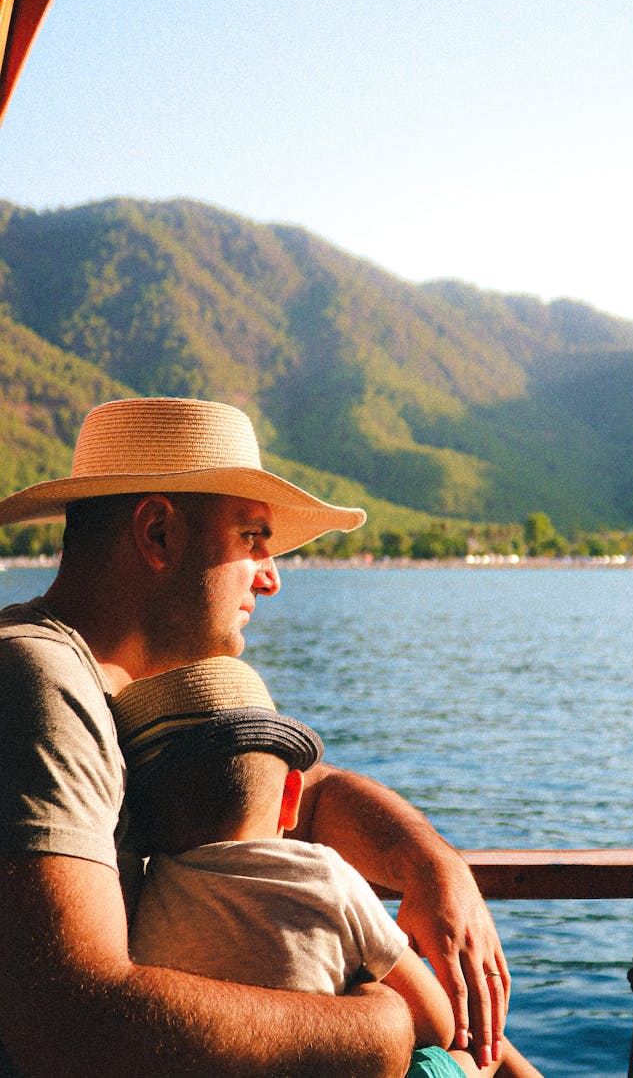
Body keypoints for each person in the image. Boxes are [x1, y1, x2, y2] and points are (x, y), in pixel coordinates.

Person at [0, 396, 510, 1077]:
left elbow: (304, 795)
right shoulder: (37, 680)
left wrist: (433, 866)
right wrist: (390, 1023)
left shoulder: (121, 687)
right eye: (252, 538)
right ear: (157, 533)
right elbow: (70, 1025)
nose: (270, 578)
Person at [113, 656, 542, 1078]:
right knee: (492, 1051)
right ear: (291, 797)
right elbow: (438, 1024)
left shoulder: (145, 889)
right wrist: (368, 991)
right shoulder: (327, 876)